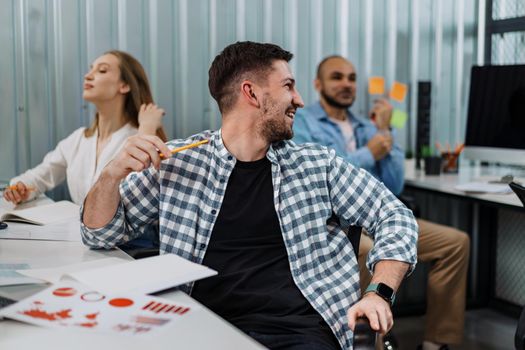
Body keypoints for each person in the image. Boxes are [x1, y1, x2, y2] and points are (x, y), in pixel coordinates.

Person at [81, 42, 418, 350]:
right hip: (202, 330)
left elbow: (394, 215)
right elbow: (99, 233)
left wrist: (378, 292)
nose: (299, 100)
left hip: (299, 333)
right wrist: (110, 175)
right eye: (288, 86)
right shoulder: (176, 162)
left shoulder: (318, 165)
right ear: (252, 94)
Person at [293, 55, 470, 350]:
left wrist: (387, 132)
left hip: (378, 218)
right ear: (317, 84)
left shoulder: (367, 126)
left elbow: (394, 184)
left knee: (455, 243)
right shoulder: (303, 123)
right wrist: (368, 153)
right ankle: (370, 342)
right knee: (367, 250)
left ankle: (437, 342)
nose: (346, 84)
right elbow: (314, 180)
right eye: (337, 77)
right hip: (336, 223)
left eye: (351, 78)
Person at [3, 50, 167, 205]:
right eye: (91, 70)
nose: (88, 76)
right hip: (77, 234)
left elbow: (141, 196)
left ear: (124, 86)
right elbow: (40, 176)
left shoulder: (140, 137)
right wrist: (21, 187)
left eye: (102, 71)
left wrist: (147, 128)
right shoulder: (78, 139)